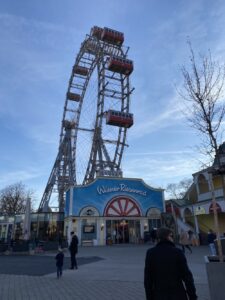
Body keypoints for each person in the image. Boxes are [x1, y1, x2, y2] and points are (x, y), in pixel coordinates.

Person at [144, 227, 197, 300]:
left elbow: (148, 279)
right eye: (171, 236)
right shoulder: (177, 252)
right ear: (167, 237)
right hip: (178, 294)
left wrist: (149, 297)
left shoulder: (151, 253)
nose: (172, 238)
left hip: (159, 294)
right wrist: (192, 296)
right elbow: (187, 277)